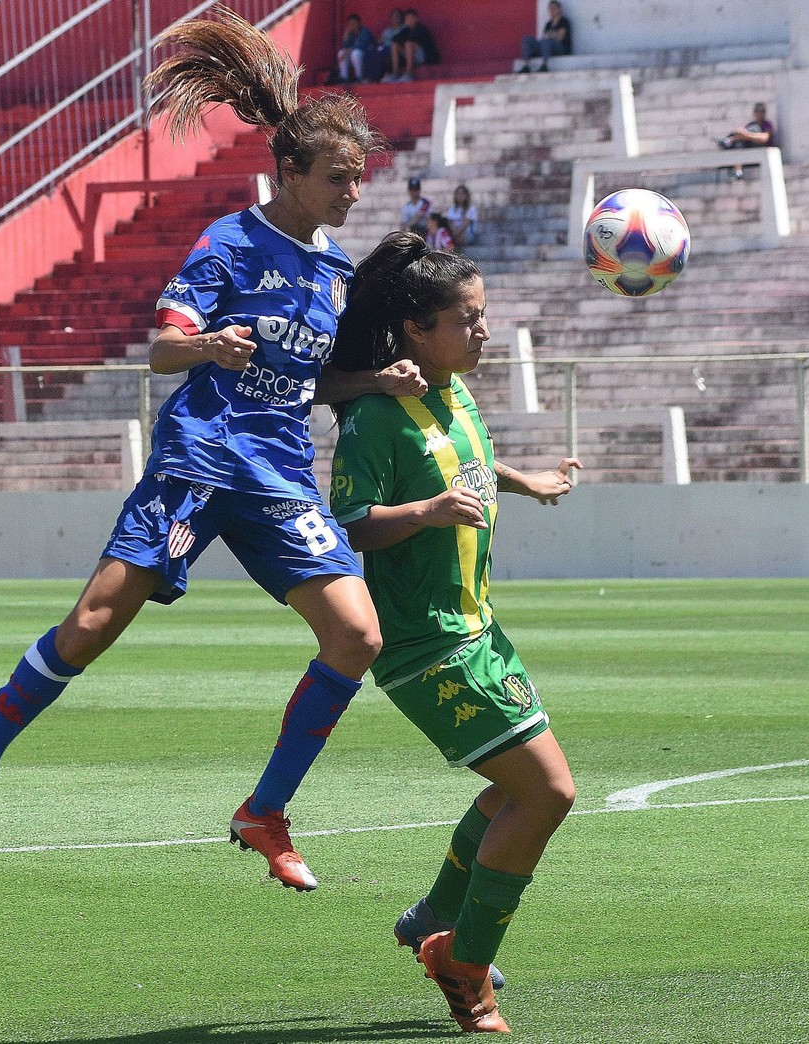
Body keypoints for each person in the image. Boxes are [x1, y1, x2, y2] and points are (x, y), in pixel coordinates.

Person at [0, 8, 429, 894]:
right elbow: (161, 348)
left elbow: (313, 384)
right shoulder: (228, 243)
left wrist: (374, 383)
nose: (355, 192)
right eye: (340, 178)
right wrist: (208, 345)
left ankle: (264, 811)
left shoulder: (337, 271)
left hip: (277, 477)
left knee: (356, 636)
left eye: (359, 178)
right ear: (290, 171)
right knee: (88, 630)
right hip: (198, 463)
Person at [329, 231, 582, 1034]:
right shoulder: (371, 418)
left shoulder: (453, 391)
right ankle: (461, 962)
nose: (482, 333)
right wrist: (429, 513)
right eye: (465, 320)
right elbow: (351, 528)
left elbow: (462, 461)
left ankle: (430, 918)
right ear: (415, 329)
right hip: (423, 642)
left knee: (518, 790)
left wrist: (523, 478)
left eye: (482, 317)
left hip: (477, 627)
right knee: (546, 792)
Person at [519, 0, 572, 73]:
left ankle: (545, 65)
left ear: (559, 9)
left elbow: (560, 38)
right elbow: (544, 37)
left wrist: (550, 35)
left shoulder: (564, 21)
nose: (552, 10)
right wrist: (553, 34)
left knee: (547, 41)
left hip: (560, 48)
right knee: (526, 39)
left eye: (554, 8)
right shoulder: (548, 24)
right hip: (547, 47)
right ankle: (526, 66)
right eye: (550, 8)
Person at [388, 8, 438, 83]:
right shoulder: (406, 30)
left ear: (416, 19)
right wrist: (402, 39)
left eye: (411, 18)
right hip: (410, 57)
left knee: (408, 44)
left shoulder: (421, 29)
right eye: (407, 19)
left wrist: (403, 40)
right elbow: (394, 38)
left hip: (424, 57)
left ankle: (409, 74)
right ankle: (395, 73)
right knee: (395, 45)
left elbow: (413, 39)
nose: (409, 20)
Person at [336, 13, 375, 84]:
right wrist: (345, 37)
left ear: (359, 23)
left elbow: (361, 46)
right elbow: (344, 47)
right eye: (350, 24)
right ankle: (344, 78)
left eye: (354, 23)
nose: (352, 25)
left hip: (367, 57)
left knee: (355, 53)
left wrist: (348, 51)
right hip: (353, 57)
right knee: (341, 53)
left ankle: (359, 77)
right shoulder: (350, 34)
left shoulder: (364, 32)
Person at [446, 183, 479, 251]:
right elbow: (450, 223)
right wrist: (454, 234)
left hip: (467, 234)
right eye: (458, 193)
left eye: (463, 194)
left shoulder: (471, 209)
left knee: (458, 239)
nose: (460, 196)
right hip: (454, 233)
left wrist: (455, 235)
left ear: (467, 196)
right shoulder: (451, 209)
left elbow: (465, 225)